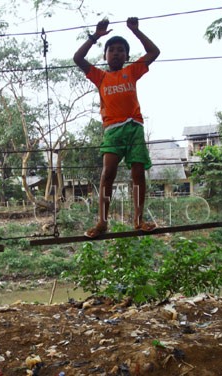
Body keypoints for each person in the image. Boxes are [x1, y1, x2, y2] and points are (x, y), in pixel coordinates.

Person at [73, 17, 160, 238]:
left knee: (138, 174)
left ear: (127, 56)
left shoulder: (132, 72)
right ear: (105, 55)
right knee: (107, 174)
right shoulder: (100, 76)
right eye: (112, 50)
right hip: (112, 130)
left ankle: (139, 220)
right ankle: (102, 222)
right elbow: (78, 58)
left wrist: (136, 31)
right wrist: (96, 36)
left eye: (121, 50)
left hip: (134, 128)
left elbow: (154, 52)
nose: (116, 53)